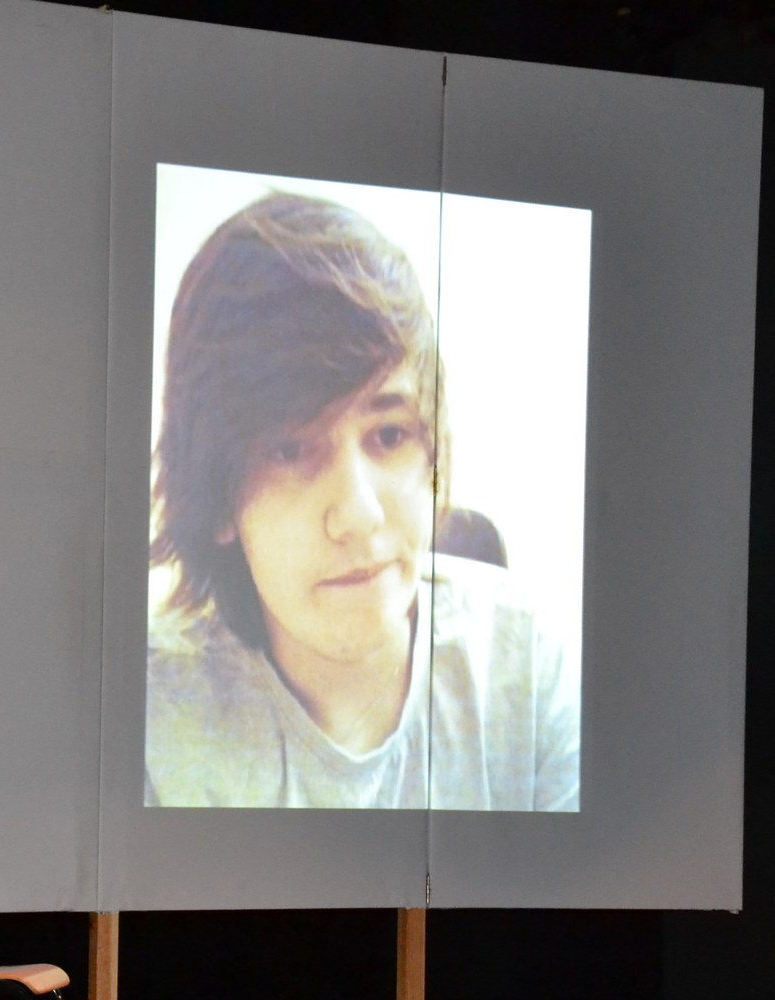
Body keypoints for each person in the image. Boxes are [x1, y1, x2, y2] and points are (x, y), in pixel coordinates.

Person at [144, 192, 579, 811]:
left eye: (390, 436)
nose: (359, 513)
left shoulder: (527, 669)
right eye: (290, 449)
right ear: (218, 498)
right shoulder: (152, 723)